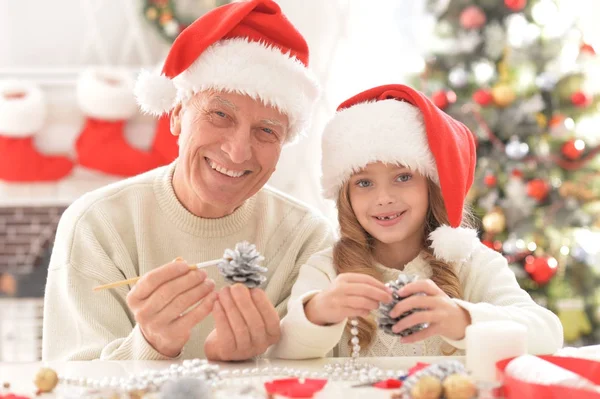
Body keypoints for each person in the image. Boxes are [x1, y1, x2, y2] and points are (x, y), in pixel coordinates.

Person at [42, 0, 334, 361]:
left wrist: (243, 366)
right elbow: (71, 386)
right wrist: (150, 346)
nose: (239, 151)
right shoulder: (95, 225)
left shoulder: (308, 239)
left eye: (266, 131)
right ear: (177, 115)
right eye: (220, 114)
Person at [268, 84, 563, 359]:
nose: (383, 198)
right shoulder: (327, 268)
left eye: (403, 177)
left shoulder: (470, 263)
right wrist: (319, 311)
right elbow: (284, 352)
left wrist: (460, 319)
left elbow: (547, 333)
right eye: (364, 183)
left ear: (430, 186)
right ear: (346, 196)